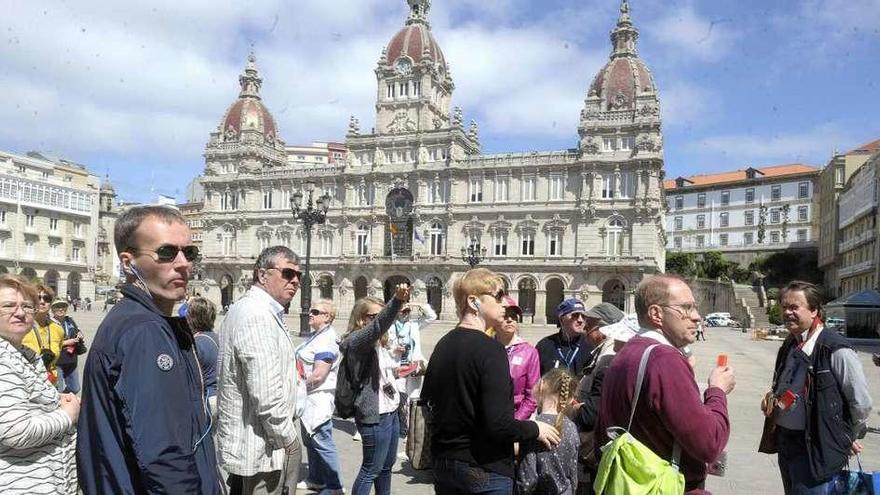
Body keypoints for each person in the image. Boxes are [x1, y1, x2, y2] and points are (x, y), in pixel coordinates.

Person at [77, 205, 219, 495]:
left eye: (188, 253)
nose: (182, 263)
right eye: (166, 253)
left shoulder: (144, 321)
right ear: (128, 262)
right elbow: (163, 454)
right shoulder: (145, 331)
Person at [422, 268, 560, 495]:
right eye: (498, 296)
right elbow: (498, 425)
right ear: (473, 301)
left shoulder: (443, 344)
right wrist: (535, 428)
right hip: (483, 466)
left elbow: (427, 405)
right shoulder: (491, 350)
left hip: (444, 463)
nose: (504, 303)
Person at [597, 274, 735, 494]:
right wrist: (717, 391)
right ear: (656, 314)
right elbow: (709, 443)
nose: (697, 317)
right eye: (687, 308)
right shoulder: (664, 359)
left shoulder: (625, 353)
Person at [760, 281, 872, 494]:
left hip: (814, 447)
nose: (787, 312)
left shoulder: (835, 348)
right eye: (784, 307)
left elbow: (862, 403)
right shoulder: (790, 344)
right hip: (786, 441)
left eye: (794, 307)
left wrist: (845, 437)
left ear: (814, 310)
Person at [216, 245, 304, 495]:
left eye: (298, 275)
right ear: (262, 275)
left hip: (255, 445)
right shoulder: (257, 316)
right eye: (287, 273)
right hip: (263, 449)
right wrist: (289, 441)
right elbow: (265, 395)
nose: (295, 281)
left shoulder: (251, 309)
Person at [0, 274, 80, 494]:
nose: (20, 312)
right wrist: (67, 415)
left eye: (27, 306)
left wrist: (56, 401)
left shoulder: (25, 354)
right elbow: (17, 431)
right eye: (8, 306)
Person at [338, 287, 409, 495]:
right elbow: (379, 326)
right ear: (361, 319)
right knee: (371, 469)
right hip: (374, 415)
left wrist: (397, 371)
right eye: (374, 315)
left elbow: (378, 374)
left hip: (391, 411)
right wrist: (396, 301)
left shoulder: (378, 344)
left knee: (386, 468)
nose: (380, 320)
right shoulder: (357, 341)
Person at [296, 299, 344, 495]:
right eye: (310, 311)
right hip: (308, 398)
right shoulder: (317, 335)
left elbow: (318, 375)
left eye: (315, 311)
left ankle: (335, 486)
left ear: (327, 316)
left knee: (322, 441)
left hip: (318, 399)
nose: (310, 313)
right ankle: (316, 479)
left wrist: (295, 386)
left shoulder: (327, 340)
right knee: (310, 439)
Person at [516, 368, 580, 495]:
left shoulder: (534, 428)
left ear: (541, 386)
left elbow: (527, 480)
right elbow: (573, 475)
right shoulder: (572, 427)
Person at [388, 301, 436, 439]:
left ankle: (411, 430)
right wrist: (394, 349)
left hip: (414, 365)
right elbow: (386, 346)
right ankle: (400, 425)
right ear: (396, 312)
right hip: (398, 365)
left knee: (414, 397)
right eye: (402, 311)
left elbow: (431, 316)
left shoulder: (414, 324)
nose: (405, 314)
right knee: (399, 395)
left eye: (407, 311)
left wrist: (419, 304)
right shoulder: (390, 326)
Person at [496, 295, 540, 421]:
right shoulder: (485, 347)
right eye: (505, 315)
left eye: (514, 316)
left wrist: (515, 421)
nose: (509, 319)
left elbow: (533, 395)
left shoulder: (529, 352)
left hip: (516, 418)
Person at [536, 298, 594, 377]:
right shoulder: (544, 345)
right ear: (561, 319)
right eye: (575, 315)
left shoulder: (591, 345)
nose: (580, 320)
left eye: (583, 316)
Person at [21, 285, 65, 390]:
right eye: (37, 298)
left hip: (51, 384)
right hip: (26, 385)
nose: (42, 301)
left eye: (47, 298)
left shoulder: (58, 329)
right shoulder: (21, 327)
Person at [185, 297, 219, 418]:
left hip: (206, 401)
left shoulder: (197, 343)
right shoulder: (217, 337)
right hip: (219, 397)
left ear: (193, 317)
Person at [51, 299, 86, 394]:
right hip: (57, 361)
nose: (61, 309)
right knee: (59, 389)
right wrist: (67, 342)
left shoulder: (70, 320)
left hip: (71, 359)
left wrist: (80, 335)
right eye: (57, 307)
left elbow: (77, 331)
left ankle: (64, 400)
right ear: (52, 309)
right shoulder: (49, 323)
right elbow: (48, 343)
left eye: (63, 307)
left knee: (75, 388)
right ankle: (62, 405)